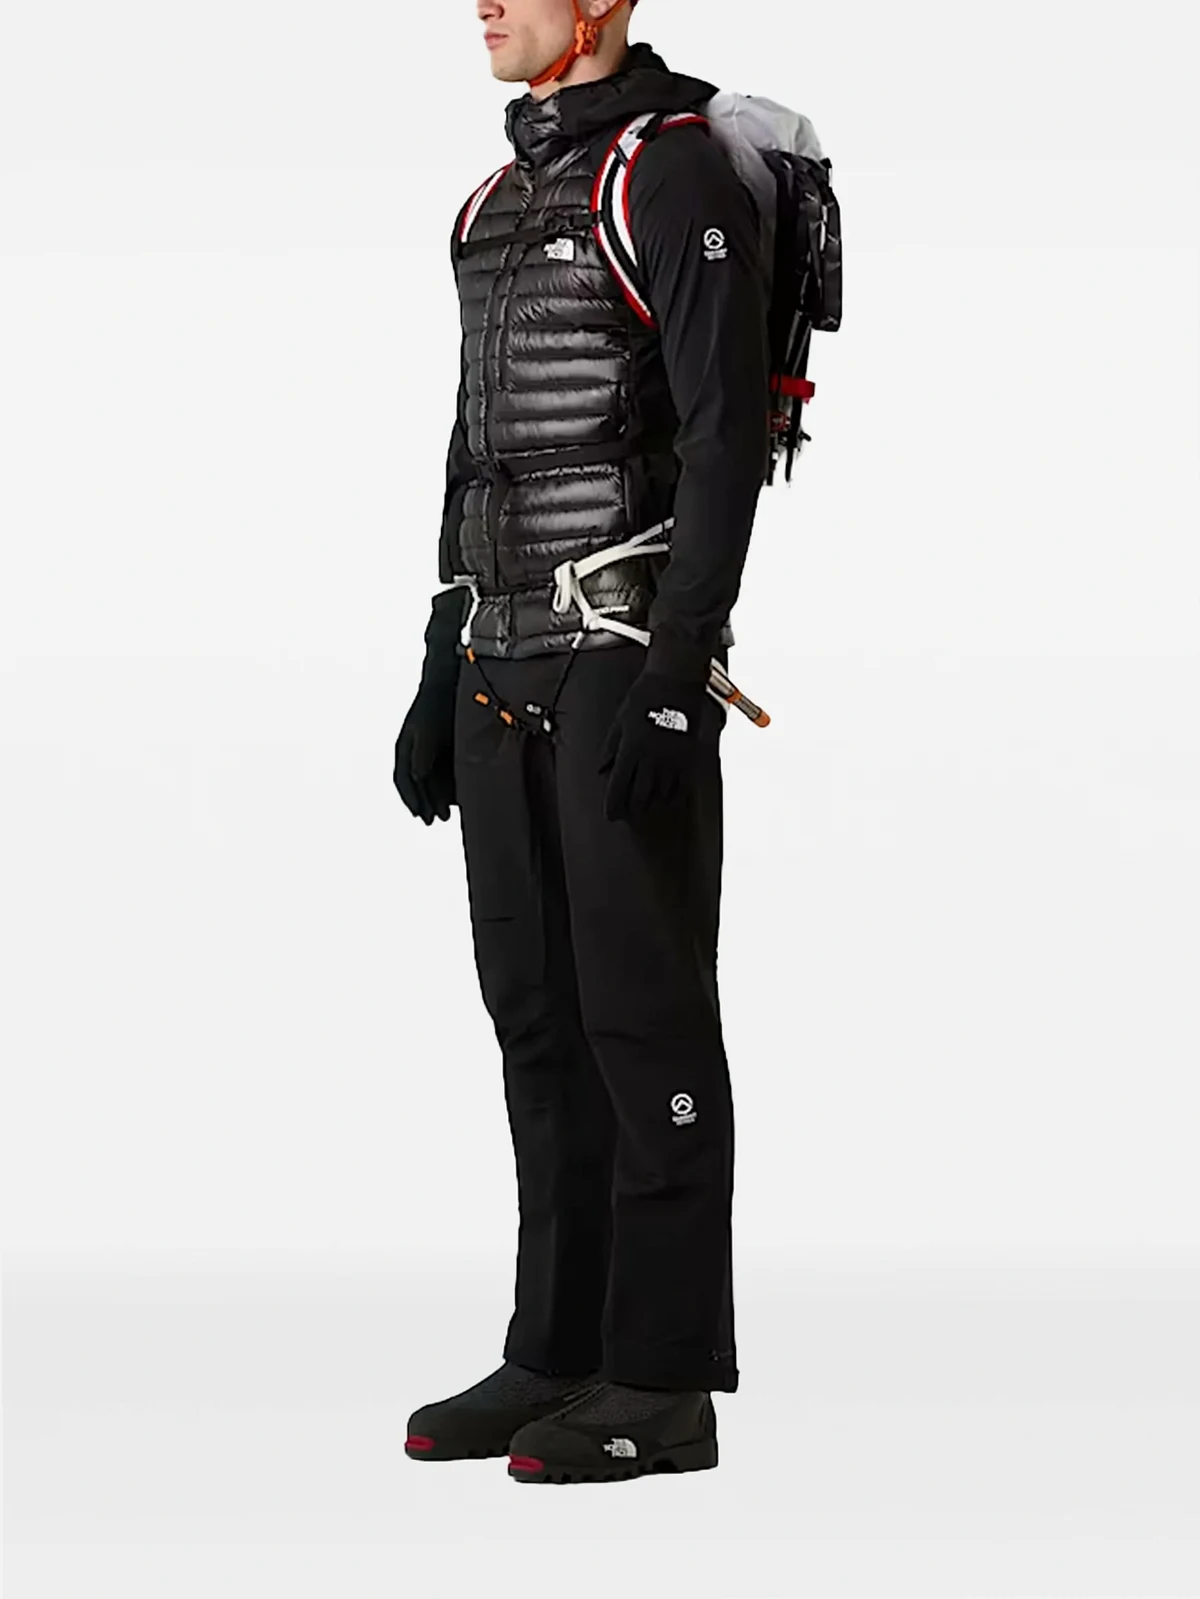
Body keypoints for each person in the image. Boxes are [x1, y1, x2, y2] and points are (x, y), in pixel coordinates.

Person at [394, 0, 769, 1484]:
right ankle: (558, 1347)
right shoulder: (495, 199)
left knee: (643, 1021)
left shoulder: (672, 171)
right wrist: (440, 653)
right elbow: (475, 441)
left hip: (619, 653)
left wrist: (678, 671)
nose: (482, 3)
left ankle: (663, 1384)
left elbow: (725, 437)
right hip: (499, 656)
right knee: (538, 1024)